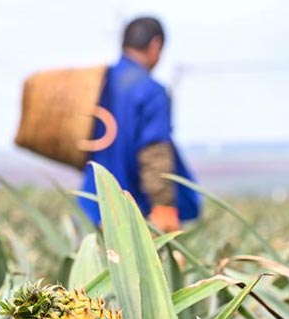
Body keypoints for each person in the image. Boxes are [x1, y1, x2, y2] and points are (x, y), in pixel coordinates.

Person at [78, 16, 200, 231]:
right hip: (129, 216)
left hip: (90, 207)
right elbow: (154, 153)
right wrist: (164, 207)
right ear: (155, 45)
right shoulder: (151, 91)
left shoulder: (96, 84)